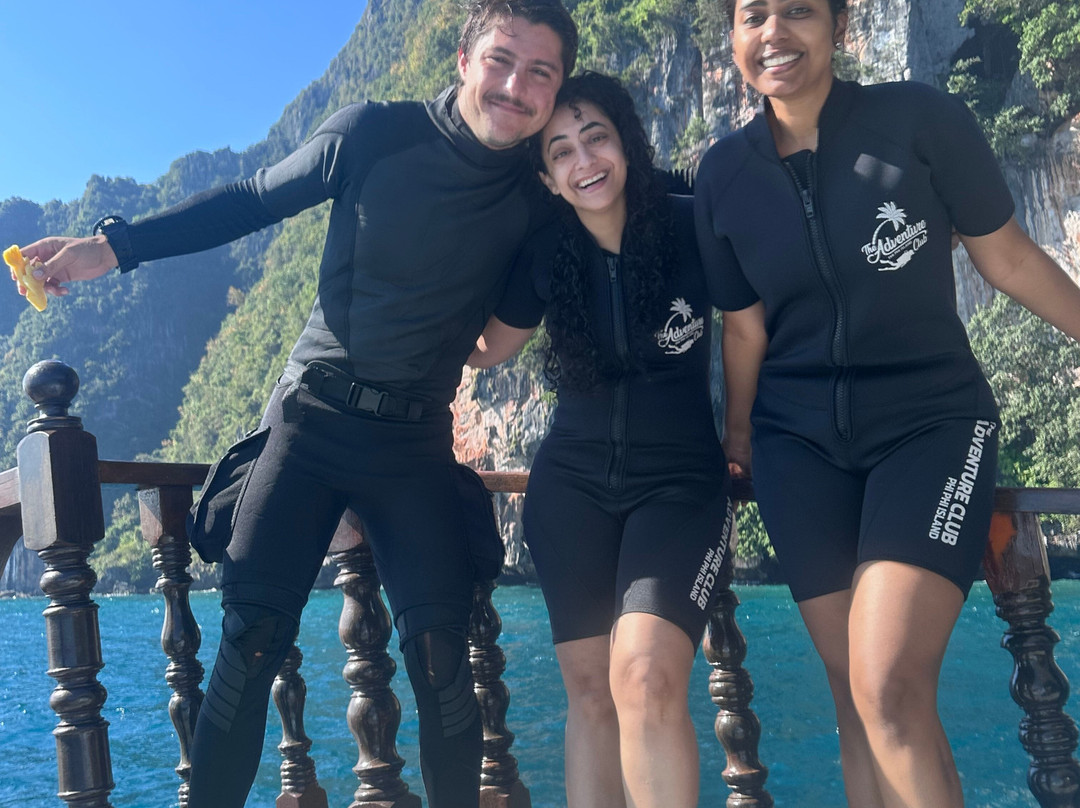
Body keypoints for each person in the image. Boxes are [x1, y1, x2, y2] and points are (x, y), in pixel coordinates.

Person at [20, 2, 578, 806]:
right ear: (464, 59)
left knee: (443, 667)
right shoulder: (373, 135)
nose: (515, 86)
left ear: (556, 91)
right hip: (312, 422)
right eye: (501, 60)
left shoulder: (539, 201)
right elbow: (249, 199)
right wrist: (113, 247)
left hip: (415, 444)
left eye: (540, 73)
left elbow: (511, 325)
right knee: (249, 645)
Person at [694, 1, 1080, 805]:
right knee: (857, 699)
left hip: (931, 425)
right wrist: (737, 435)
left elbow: (1008, 259)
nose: (774, 33)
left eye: (799, 10)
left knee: (886, 683)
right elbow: (744, 328)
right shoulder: (723, 175)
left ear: (840, 25)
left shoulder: (918, 121)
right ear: (731, 37)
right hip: (798, 449)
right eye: (753, 15)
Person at [468, 72, 733, 808]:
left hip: (680, 486)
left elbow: (756, 324)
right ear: (547, 178)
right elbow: (487, 347)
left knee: (645, 678)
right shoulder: (545, 251)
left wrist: (745, 430)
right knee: (590, 697)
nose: (584, 161)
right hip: (570, 494)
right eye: (560, 151)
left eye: (596, 138)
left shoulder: (691, 225)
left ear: (626, 142)